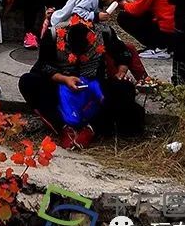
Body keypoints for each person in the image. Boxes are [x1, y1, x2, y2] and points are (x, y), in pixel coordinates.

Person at [18, 18, 144, 149]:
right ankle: (63, 128)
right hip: (62, 86)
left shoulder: (104, 32)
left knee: (125, 88)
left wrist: (121, 71)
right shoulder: (53, 35)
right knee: (28, 81)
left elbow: (122, 53)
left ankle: (92, 129)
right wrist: (65, 79)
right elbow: (43, 66)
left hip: (96, 87)